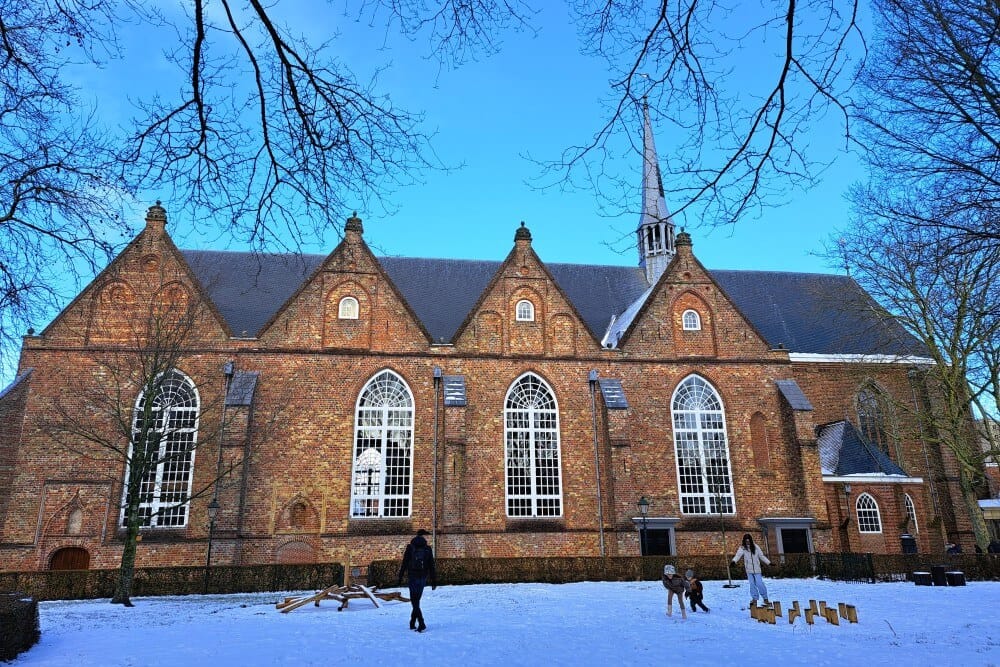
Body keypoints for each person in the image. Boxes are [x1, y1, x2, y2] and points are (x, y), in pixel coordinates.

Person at [397, 529, 437, 632]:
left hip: (413, 576)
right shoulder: (427, 549)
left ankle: (421, 622)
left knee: (414, 601)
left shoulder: (410, 548)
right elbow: (431, 566)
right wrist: (433, 581)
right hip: (422, 577)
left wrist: (400, 577)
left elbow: (404, 563)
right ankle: (412, 622)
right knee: (416, 600)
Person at [732, 533, 771, 606]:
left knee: (760, 584)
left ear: (751, 540)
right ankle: (754, 599)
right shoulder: (742, 548)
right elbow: (738, 555)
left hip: (757, 569)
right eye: (746, 541)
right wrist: (734, 561)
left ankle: (765, 599)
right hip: (749, 570)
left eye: (748, 540)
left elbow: (761, 556)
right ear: (744, 541)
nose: (748, 542)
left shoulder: (756, 547)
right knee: (752, 585)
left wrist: (769, 563)